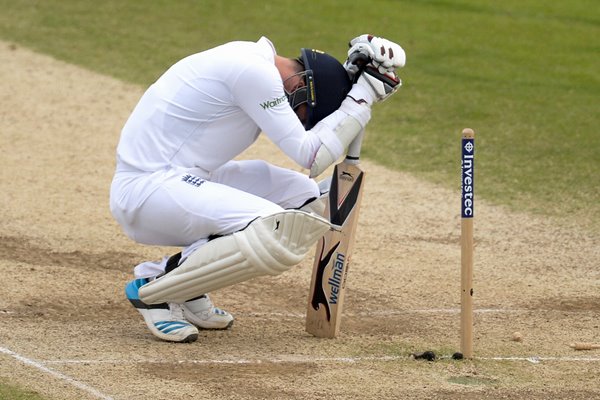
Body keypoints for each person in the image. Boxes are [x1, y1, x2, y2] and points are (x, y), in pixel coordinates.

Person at [110, 34, 406, 343]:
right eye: (303, 114)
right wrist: (362, 97)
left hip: (182, 179)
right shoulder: (252, 72)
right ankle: (155, 286)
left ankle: (186, 288)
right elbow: (312, 155)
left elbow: (314, 156)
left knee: (307, 198)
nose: (295, 119)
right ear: (299, 87)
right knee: (273, 226)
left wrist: (352, 80)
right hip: (148, 189)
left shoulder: (253, 63)